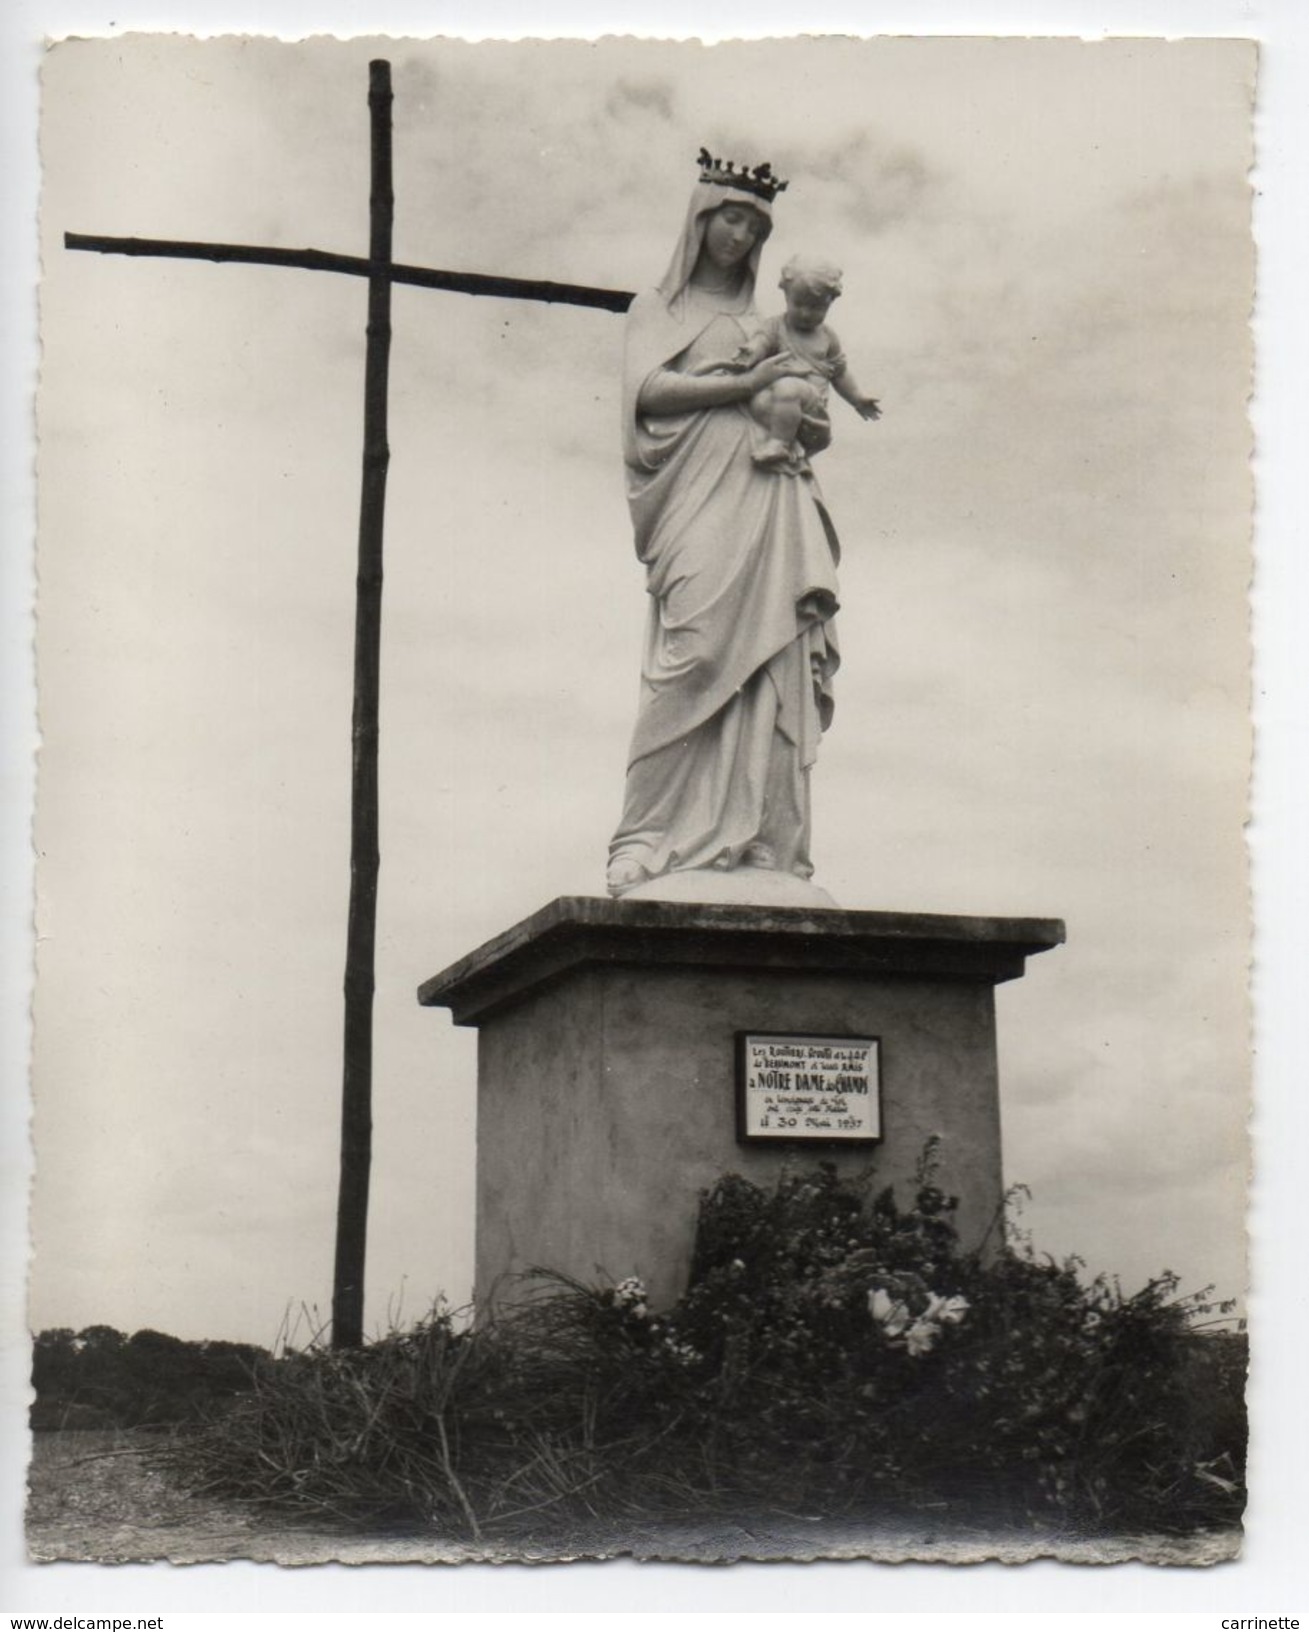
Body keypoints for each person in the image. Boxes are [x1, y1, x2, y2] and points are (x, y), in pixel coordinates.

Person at [606, 154, 847, 897]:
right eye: (730, 218)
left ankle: (761, 840)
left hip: (768, 491)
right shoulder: (659, 310)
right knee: (698, 652)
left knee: (773, 666)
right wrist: (749, 383)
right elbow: (648, 392)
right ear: (701, 219)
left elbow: (818, 418)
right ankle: (645, 837)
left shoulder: (767, 323)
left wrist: (806, 416)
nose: (739, 235)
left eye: (754, 225)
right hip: (694, 496)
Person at [735, 254, 881, 468]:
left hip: (811, 413)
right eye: (799, 304)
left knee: (789, 387)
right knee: (758, 400)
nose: (805, 313)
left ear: (830, 303)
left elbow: (839, 373)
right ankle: (788, 442)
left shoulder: (827, 337)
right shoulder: (776, 326)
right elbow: (761, 341)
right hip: (779, 407)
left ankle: (780, 444)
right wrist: (751, 351)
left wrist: (857, 399)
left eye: (816, 308)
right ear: (786, 296)